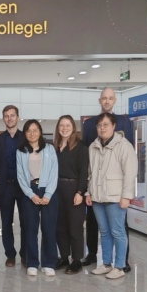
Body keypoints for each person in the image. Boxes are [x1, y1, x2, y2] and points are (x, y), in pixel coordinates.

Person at [81, 87, 133, 272]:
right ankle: (96, 257)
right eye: (104, 98)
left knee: (119, 228)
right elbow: (87, 158)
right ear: (99, 100)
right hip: (96, 188)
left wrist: (126, 194)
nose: (107, 101)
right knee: (97, 225)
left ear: (114, 101)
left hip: (114, 190)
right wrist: (88, 190)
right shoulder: (89, 124)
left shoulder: (124, 123)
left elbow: (129, 164)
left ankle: (122, 262)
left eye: (110, 98)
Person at [87, 113, 138, 279]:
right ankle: (106, 264)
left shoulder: (124, 145)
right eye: (99, 125)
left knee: (118, 232)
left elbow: (130, 173)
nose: (102, 128)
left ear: (114, 126)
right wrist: (88, 192)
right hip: (97, 197)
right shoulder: (93, 146)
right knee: (104, 232)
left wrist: (126, 196)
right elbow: (90, 173)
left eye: (105, 125)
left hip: (115, 197)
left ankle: (120, 266)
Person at [17, 119, 59, 277]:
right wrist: (31, 195)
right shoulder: (21, 151)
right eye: (28, 131)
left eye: (35, 130)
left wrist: (48, 194)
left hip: (48, 189)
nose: (32, 133)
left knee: (49, 228)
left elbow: (54, 172)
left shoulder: (49, 149)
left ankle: (48, 263)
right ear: (25, 133)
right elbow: (21, 176)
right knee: (30, 229)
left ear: (40, 132)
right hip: (30, 190)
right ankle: (32, 262)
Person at [0, 105, 26, 268]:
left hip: (24, 187)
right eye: (6, 116)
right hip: (5, 187)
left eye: (12, 115)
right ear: (3, 118)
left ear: (17, 117)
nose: (9, 118)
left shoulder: (25, 138)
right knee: (6, 223)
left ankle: (25, 254)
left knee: (26, 222)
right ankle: (10, 255)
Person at [53, 115, 89, 275]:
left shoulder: (80, 147)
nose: (64, 128)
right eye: (62, 125)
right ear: (58, 128)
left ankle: (76, 260)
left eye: (68, 125)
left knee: (75, 227)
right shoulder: (54, 147)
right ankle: (64, 257)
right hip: (57, 189)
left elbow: (84, 172)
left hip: (74, 188)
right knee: (59, 226)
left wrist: (80, 192)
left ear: (73, 127)